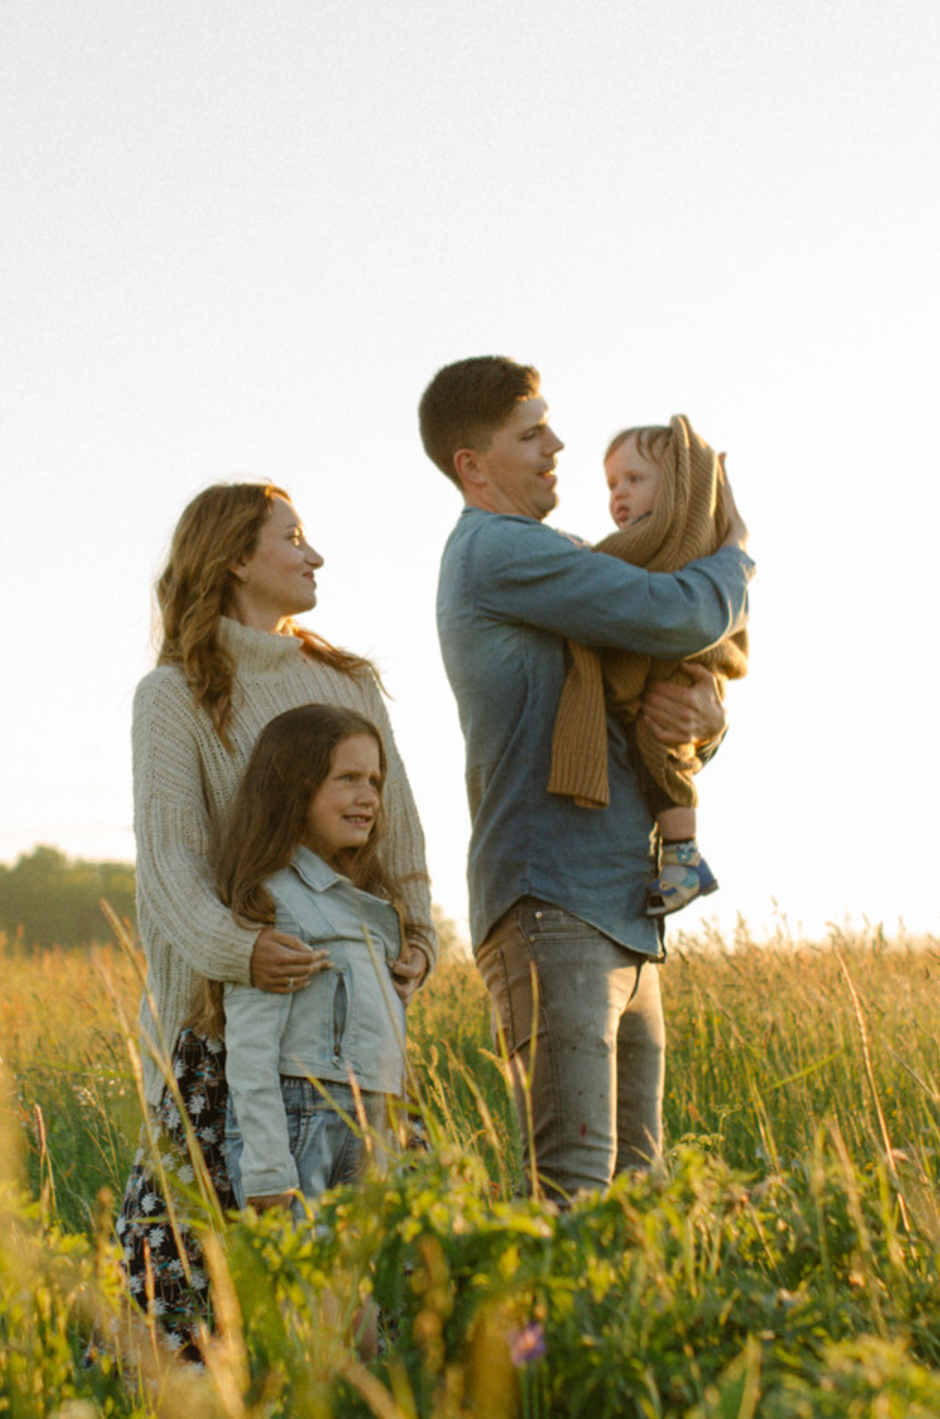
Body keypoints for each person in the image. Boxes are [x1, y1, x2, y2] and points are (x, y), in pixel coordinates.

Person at [420, 356, 753, 1202]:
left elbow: (643, 717)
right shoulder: (499, 552)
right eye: (532, 432)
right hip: (551, 902)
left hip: (621, 908)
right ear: (473, 463)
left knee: (636, 1194)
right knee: (573, 1188)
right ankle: (539, 1342)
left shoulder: (566, 561)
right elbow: (682, 612)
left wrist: (706, 721)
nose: (555, 444)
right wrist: (736, 549)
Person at [113, 482, 437, 1352]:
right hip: (224, 1027)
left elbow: (401, 845)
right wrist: (242, 949)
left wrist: (419, 945)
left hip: (351, 1028)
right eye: (294, 538)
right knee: (191, 1288)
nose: (315, 554)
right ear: (235, 558)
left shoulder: (348, 684)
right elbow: (170, 869)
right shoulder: (173, 696)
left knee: (373, 1280)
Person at [200, 702, 410, 1212]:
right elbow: (251, 1052)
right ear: (298, 787)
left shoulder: (364, 903)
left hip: (374, 1119)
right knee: (301, 1287)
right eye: (348, 779)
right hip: (305, 1118)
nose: (369, 798)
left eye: (375, 782)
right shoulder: (276, 899)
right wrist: (269, 1170)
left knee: (365, 1290)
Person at [550, 416, 749, 920]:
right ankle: (679, 854)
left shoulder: (667, 540)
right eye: (612, 484)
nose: (619, 495)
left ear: (680, 488)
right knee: (659, 751)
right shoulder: (660, 544)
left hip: (681, 672)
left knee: (661, 753)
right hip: (665, 678)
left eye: (635, 480)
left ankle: (684, 854)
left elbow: (678, 609)